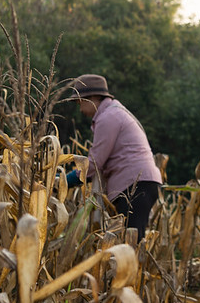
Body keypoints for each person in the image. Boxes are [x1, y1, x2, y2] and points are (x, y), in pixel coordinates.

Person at [66, 74, 162, 243]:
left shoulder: (109, 118)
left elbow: (94, 163)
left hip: (136, 185)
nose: (80, 109)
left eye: (80, 102)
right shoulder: (115, 113)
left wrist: (65, 181)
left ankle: (134, 270)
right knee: (129, 240)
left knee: (131, 242)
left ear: (93, 98)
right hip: (141, 183)